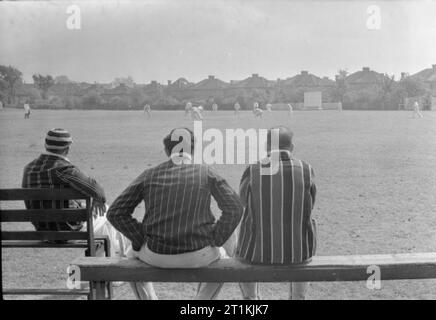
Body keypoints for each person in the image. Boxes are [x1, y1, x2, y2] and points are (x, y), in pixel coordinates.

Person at [107, 128, 243, 300]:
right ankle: (201, 303)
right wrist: (216, 239)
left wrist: (140, 238)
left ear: (167, 151)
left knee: (129, 256)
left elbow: (115, 212)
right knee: (226, 254)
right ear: (193, 150)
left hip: (155, 254)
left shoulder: (149, 174)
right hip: (200, 254)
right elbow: (235, 207)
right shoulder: (206, 172)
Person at [21, 128, 152, 299]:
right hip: (66, 229)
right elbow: (97, 190)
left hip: (43, 229)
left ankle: (101, 269)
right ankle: (108, 273)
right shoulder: (62, 168)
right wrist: (97, 199)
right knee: (110, 215)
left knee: (104, 224)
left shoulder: (28, 168)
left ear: (45, 145)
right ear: (67, 148)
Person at [235, 126, 317, 300]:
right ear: (292, 147)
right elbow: (310, 204)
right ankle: (297, 297)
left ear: (266, 146)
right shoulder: (306, 169)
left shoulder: (253, 170)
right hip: (298, 253)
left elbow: (242, 202)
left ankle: (252, 299)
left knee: (240, 244)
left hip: (254, 253)